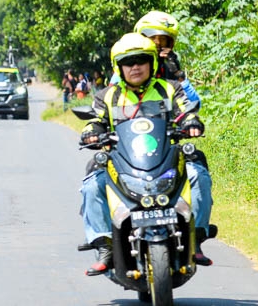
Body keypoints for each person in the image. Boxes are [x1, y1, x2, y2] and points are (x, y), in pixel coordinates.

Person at [79, 33, 210, 276]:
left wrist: (192, 122)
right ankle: (104, 244)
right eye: (128, 62)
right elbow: (94, 121)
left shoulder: (170, 89)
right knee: (91, 185)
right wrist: (91, 133)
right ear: (119, 67)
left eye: (141, 60)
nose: (135, 67)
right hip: (121, 162)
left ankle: (197, 237)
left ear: (152, 62)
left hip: (166, 158)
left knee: (197, 172)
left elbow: (187, 112)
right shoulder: (106, 96)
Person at [134, 10, 201, 106]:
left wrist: (178, 75)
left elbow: (195, 105)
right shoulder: (129, 67)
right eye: (152, 38)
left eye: (162, 39)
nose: (157, 43)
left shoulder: (168, 67)